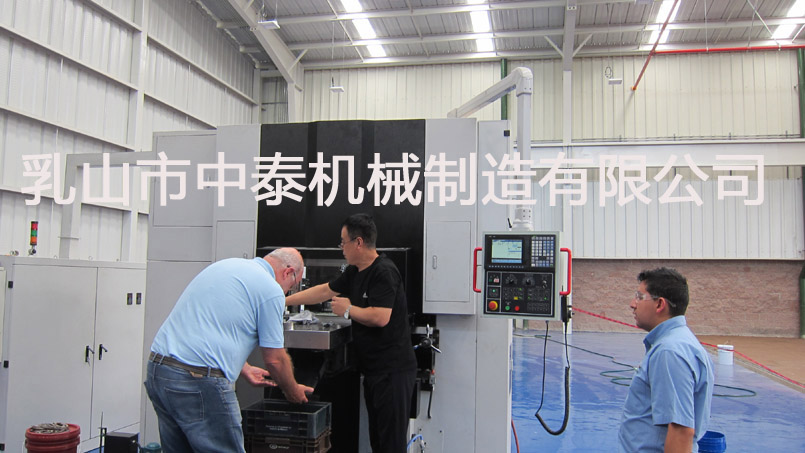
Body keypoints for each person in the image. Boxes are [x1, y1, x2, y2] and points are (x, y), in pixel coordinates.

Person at [145, 248, 314, 453]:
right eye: (292, 286)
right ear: (288, 272)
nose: (286, 292)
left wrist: (244, 367)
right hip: (197, 380)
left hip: (159, 370)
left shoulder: (226, 266)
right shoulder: (270, 289)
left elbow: (212, 324)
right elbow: (275, 359)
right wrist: (292, 390)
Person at [286, 213, 417, 453]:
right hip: (373, 371)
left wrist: (348, 310)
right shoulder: (356, 271)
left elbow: (380, 317)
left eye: (343, 242)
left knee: (391, 444)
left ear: (358, 242)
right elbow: (324, 291)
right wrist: (282, 300)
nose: (341, 248)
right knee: (378, 441)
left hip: (393, 373)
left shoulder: (384, 271)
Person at [618, 267, 715, 453]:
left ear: (660, 304)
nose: (632, 304)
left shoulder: (669, 352)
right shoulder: (683, 343)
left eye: (639, 297)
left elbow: (681, 431)